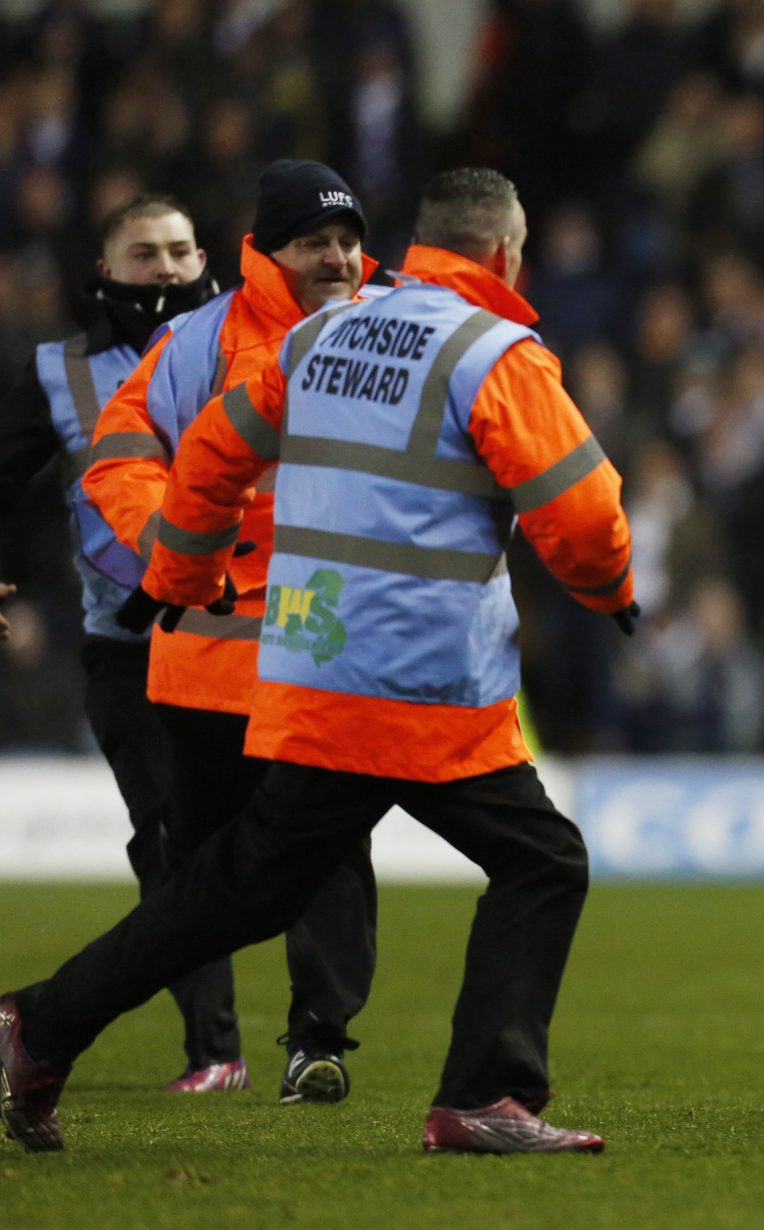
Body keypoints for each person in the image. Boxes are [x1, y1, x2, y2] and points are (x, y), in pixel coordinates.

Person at [1, 167, 633, 1156]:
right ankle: (483, 1096)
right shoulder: (493, 351)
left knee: (238, 888)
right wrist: (611, 594)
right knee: (541, 862)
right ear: (504, 253)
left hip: (312, 669)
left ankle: (37, 1027)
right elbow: (585, 517)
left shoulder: (318, 337)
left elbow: (208, 453)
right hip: (422, 686)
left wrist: (180, 568)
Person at [82, 161, 381, 1102]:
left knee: (330, 849)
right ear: (267, 249)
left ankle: (316, 1040)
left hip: (331, 654)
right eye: (314, 243)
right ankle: (77, 1025)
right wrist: (179, 555)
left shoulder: (395, 322)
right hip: (214, 652)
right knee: (204, 875)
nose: (336, 257)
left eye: (346, 240)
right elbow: (120, 461)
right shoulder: (196, 343)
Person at [0, 194, 230, 1089]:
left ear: (205, 256)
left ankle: (317, 1035)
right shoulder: (58, 372)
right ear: (106, 271)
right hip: (126, 645)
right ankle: (217, 1051)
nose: (166, 269)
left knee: (281, 838)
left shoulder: (250, 345)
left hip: (244, 637)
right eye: (144, 254)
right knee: (170, 840)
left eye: (179, 250)